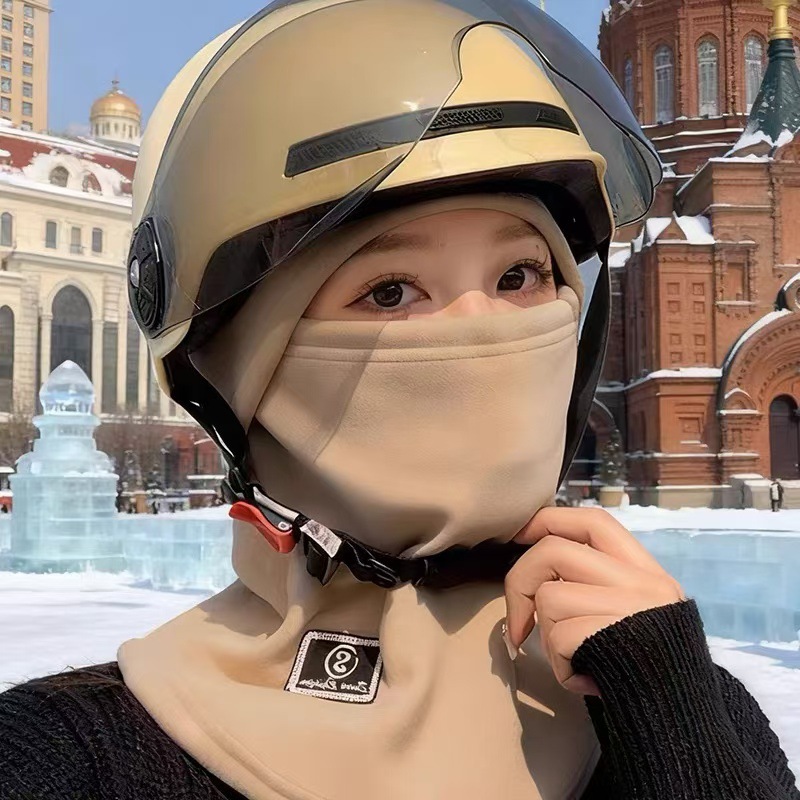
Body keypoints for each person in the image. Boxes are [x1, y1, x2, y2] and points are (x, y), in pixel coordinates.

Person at [1, 3, 797, 799]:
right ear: (247, 368)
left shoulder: (683, 706)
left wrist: (675, 721)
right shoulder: (72, 757)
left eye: (520, 275)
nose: (484, 327)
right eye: (390, 290)